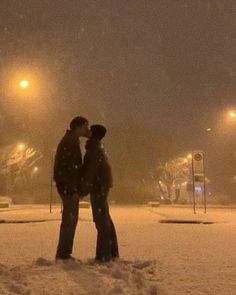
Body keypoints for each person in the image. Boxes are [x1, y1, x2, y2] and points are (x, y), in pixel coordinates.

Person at [80, 124, 119, 262]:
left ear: (94, 133)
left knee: (101, 220)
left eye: (90, 130)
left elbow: (90, 172)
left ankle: (104, 255)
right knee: (105, 219)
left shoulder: (94, 149)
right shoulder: (97, 147)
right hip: (101, 186)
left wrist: (82, 191)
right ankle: (111, 252)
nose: (87, 131)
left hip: (98, 187)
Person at [54, 116, 90, 262]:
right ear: (78, 127)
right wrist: (72, 189)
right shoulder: (70, 142)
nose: (87, 129)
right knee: (70, 220)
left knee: (70, 219)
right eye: (86, 127)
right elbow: (69, 169)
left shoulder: (70, 140)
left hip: (67, 187)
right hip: (68, 188)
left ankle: (64, 253)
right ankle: (63, 254)